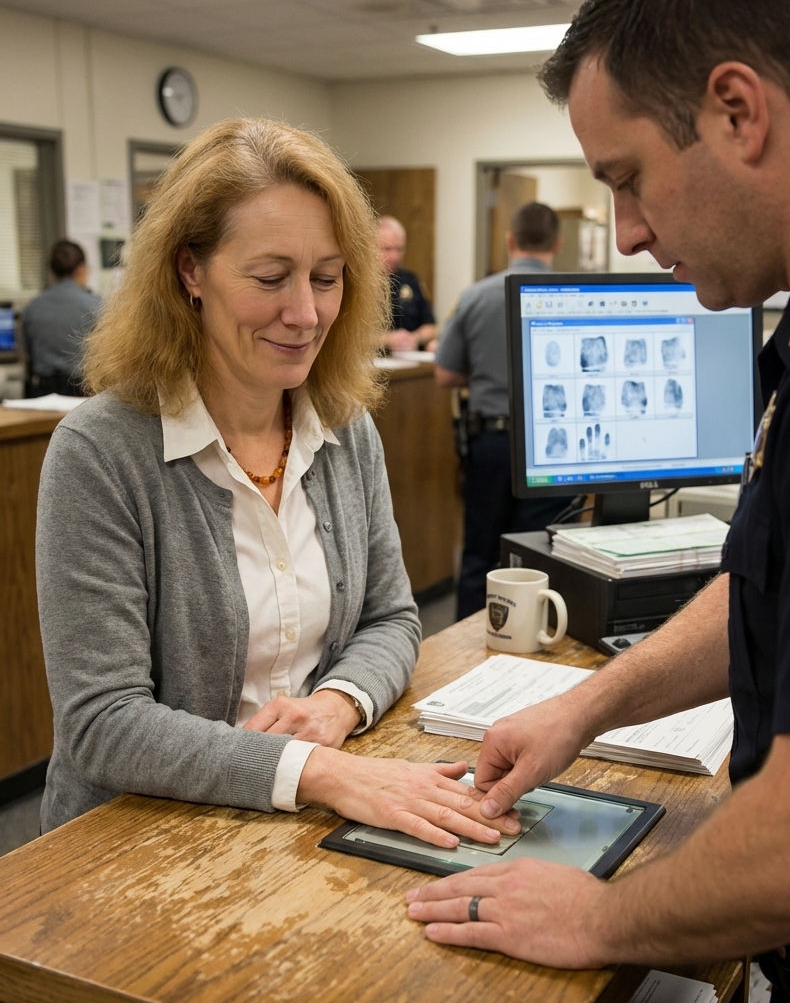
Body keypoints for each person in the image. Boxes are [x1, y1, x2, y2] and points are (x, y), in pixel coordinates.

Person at [407, 0, 790, 1003]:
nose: (632, 234)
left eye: (628, 179)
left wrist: (597, 917)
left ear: (737, 110)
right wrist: (586, 704)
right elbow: (770, 583)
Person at [35, 119, 520, 855]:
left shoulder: (344, 427)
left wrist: (335, 703)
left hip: (292, 829)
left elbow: (391, 618)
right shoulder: (100, 452)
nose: (306, 313)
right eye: (270, 278)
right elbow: (103, 721)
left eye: (326, 278)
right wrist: (315, 770)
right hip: (134, 845)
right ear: (188, 272)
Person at [435, 202, 573, 619]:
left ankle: (463, 656)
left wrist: (487, 375)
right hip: (553, 444)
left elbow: (444, 373)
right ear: (558, 244)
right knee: (545, 549)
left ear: (510, 240)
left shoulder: (476, 297)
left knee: (481, 550)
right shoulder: (572, 296)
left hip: (492, 442)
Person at [20, 239, 99, 397]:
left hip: (40, 393)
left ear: (52, 271)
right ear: (81, 269)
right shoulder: (96, 306)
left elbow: (26, 354)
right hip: (81, 392)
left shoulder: (32, 307)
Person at [377, 215, 437, 352]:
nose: (395, 257)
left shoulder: (410, 280)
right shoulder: (359, 283)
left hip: (409, 361)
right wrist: (387, 339)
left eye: (399, 249)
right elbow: (348, 335)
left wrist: (415, 338)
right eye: (387, 249)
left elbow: (431, 327)